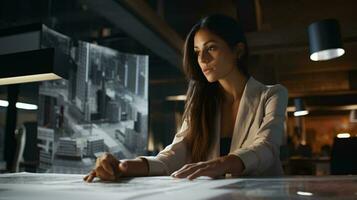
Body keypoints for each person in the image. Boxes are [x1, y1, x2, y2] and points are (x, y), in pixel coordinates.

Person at [83, 14, 288, 182]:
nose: (202, 59)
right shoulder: (201, 103)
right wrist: (124, 166)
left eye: (211, 48)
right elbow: (175, 153)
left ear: (238, 51)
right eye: (197, 51)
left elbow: (266, 148)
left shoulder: (272, 94)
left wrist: (220, 163)